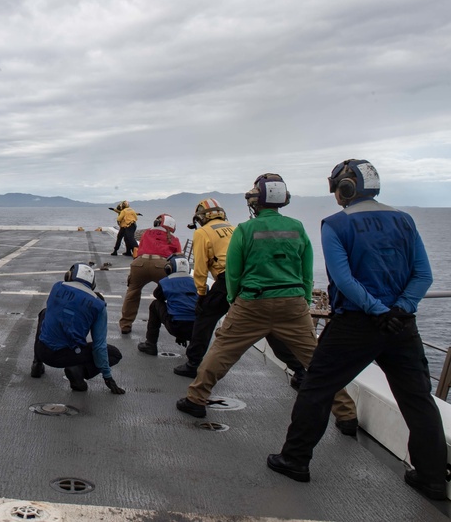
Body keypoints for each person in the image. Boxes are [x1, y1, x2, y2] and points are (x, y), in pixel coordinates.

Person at [268, 160, 446, 500]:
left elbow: (343, 279)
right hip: (401, 326)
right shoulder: (405, 221)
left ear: (345, 188)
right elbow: (423, 275)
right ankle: (432, 479)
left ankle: (295, 460)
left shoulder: (335, 224)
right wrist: (400, 310)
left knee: (317, 388)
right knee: (418, 399)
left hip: (356, 324)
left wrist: (377, 310)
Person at [175, 174, 358, 435]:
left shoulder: (245, 230)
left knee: (222, 350)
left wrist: (235, 299)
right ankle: (347, 415)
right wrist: (304, 301)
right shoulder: (297, 227)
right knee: (318, 361)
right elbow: (306, 272)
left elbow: (234, 272)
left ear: (256, 202)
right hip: (293, 303)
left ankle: (196, 399)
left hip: (253, 300)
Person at [30, 263, 125, 394]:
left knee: (44, 313)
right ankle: (78, 372)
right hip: (66, 356)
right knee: (114, 354)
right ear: (93, 284)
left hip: (43, 350)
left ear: (68, 276)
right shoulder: (98, 305)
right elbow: (99, 346)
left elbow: (62, 311)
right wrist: (107, 377)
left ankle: (37, 363)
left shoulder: (57, 287)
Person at [174, 198, 234, 377]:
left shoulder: (203, 233)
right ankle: (300, 371)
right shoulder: (234, 228)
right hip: (248, 279)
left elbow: (200, 268)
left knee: (204, 318)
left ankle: (193, 363)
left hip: (226, 280)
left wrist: (201, 294)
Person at [119, 214, 182, 334]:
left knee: (132, 292)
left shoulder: (146, 233)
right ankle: (178, 320)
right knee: (173, 292)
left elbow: (140, 248)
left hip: (140, 264)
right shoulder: (174, 239)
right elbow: (179, 258)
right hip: (161, 266)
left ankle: (125, 324)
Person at [138, 254, 197, 355]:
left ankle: (150, 344)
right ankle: (194, 350)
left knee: (155, 305)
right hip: (197, 328)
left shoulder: (165, 282)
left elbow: (158, 296)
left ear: (169, 269)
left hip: (176, 325)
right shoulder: (198, 282)